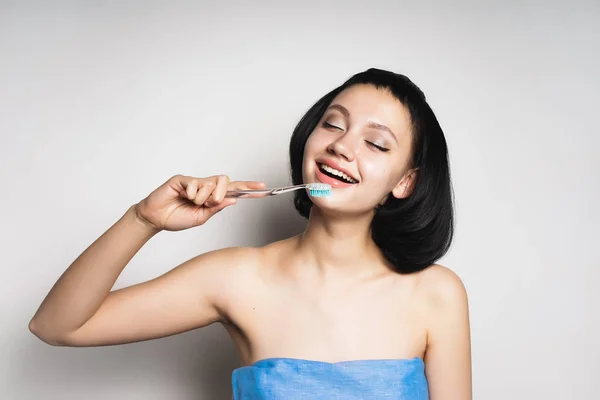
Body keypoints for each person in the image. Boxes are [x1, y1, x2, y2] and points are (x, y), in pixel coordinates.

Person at [29, 68, 472, 399]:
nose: (341, 145)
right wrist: (143, 219)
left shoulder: (437, 294)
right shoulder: (237, 278)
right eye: (333, 124)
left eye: (375, 143)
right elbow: (57, 326)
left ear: (405, 183)